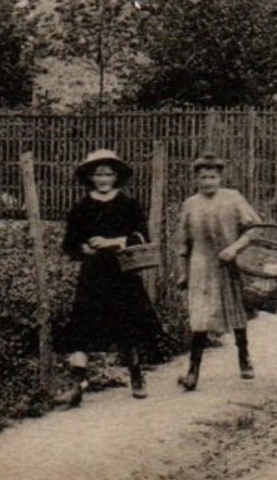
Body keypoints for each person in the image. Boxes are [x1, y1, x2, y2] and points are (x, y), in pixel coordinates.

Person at [55, 149, 164, 407]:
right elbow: (70, 243)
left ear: (116, 176)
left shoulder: (128, 204)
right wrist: (84, 248)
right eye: (98, 173)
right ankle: (77, 383)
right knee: (80, 327)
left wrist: (113, 242)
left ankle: (136, 375)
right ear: (90, 177)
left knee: (126, 327)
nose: (103, 178)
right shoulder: (81, 207)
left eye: (108, 173)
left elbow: (142, 239)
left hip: (122, 273)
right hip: (93, 274)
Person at [176, 154, 263, 391]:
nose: (208, 182)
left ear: (220, 177)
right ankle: (193, 371)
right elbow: (183, 243)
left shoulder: (233, 198)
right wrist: (183, 272)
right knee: (199, 317)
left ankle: (244, 357)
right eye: (203, 177)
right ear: (196, 179)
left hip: (229, 264)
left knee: (235, 311)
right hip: (200, 265)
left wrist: (234, 248)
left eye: (213, 177)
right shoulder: (190, 204)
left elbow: (255, 229)